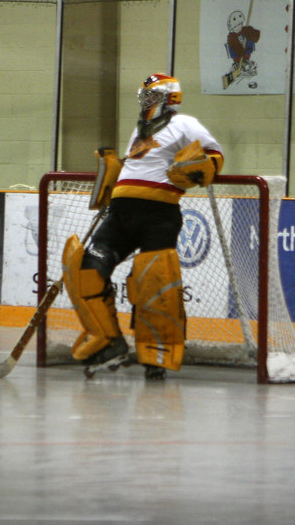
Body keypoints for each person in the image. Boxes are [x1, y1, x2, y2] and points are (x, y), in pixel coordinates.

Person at [62, 73, 224, 380]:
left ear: (169, 98)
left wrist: (202, 167)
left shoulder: (185, 124)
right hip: (120, 214)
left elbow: (215, 155)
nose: (145, 102)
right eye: (144, 97)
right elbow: (137, 165)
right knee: (85, 269)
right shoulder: (139, 131)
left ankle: (157, 355)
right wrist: (115, 172)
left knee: (154, 283)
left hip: (159, 214)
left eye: (151, 96)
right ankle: (108, 342)